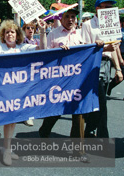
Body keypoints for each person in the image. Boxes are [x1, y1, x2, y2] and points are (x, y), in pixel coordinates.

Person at [0, 19, 46, 166]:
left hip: (19, 89)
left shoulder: (23, 47)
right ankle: (7, 150)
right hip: (2, 90)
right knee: (9, 118)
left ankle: (6, 147)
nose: (10, 34)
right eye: (7, 32)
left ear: (17, 34)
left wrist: (42, 31)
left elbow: (43, 49)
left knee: (13, 119)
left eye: (13, 32)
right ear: (3, 34)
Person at [38, 9, 91, 161]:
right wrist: (58, 52)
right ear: (61, 19)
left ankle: (78, 151)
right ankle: (45, 129)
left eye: (73, 17)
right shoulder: (53, 34)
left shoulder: (82, 34)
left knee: (78, 112)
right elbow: (45, 55)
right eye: (67, 16)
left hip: (78, 79)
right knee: (57, 109)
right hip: (59, 80)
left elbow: (89, 49)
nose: (70, 19)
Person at [82, 0, 123, 138]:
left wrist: (117, 69)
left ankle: (91, 129)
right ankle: (101, 134)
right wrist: (103, 46)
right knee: (102, 101)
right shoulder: (88, 25)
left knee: (100, 99)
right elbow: (85, 47)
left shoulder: (111, 25)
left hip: (107, 64)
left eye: (110, 8)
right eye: (105, 7)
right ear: (97, 9)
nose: (108, 11)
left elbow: (114, 48)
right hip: (93, 64)